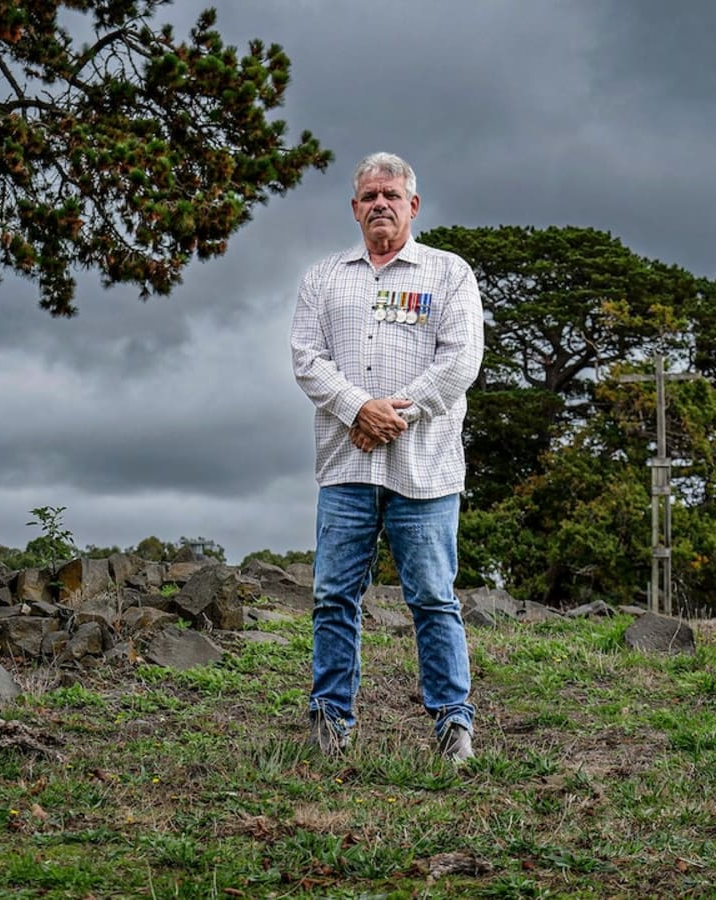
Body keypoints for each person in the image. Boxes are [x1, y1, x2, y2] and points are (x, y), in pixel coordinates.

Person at [290, 152, 484, 761]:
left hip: (423, 470)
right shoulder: (323, 278)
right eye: (369, 195)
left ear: (413, 205)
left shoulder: (449, 274)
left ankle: (454, 725)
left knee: (432, 598)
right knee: (333, 598)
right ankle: (330, 723)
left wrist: (393, 414)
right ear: (354, 208)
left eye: (391, 195)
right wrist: (357, 408)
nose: (380, 204)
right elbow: (306, 358)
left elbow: (460, 361)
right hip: (346, 468)